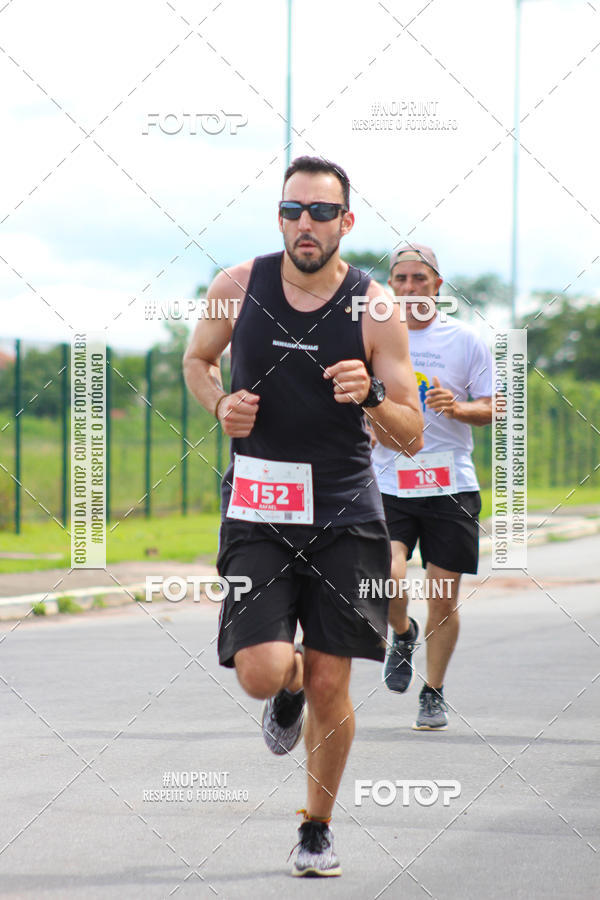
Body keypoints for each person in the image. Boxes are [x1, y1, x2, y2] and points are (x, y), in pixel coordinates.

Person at [183, 157, 423, 876]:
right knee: (261, 672)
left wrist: (372, 394)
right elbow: (198, 361)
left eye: (320, 212)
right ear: (280, 217)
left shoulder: (375, 307)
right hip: (259, 508)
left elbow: (410, 434)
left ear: (346, 221)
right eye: (292, 211)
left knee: (330, 681)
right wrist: (220, 405)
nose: (305, 225)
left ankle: (316, 827)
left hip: (346, 516)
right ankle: (282, 690)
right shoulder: (236, 287)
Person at [372, 244, 492, 730]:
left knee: (442, 597)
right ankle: (402, 633)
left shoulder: (465, 340)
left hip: (450, 485)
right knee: (387, 575)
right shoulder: (373, 338)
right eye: (400, 278)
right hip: (388, 480)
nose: (409, 288)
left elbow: (495, 405)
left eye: (419, 278)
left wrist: (457, 408)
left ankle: (434, 691)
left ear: (437, 286)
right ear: (390, 285)